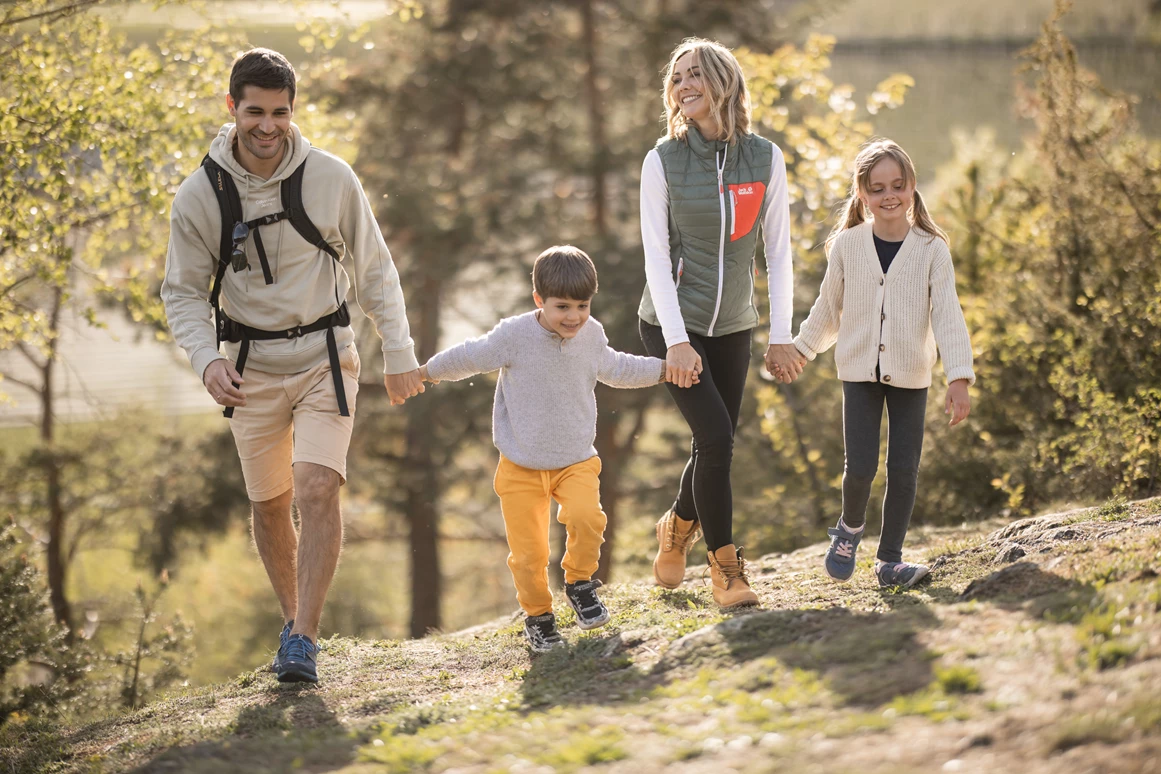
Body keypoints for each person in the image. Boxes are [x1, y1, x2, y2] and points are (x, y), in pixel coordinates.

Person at [161, 48, 423, 683]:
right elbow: (184, 292)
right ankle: (295, 627)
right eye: (255, 111)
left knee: (315, 486)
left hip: (326, 358)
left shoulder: (331, 177)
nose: (268, 126)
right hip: (248, 368)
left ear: (292, 110)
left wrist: (400, 351)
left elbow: (375, 268)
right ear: (232, 108)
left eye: (280, 112)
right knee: (271, 505)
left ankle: (303, 636)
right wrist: (205, 361)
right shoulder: (200, 195)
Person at [421, 246, 680, 652]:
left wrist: (666, 369)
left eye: (583, 305)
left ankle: (579, 583)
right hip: (521, 465)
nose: (574, 316)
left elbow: (618, 367)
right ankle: (539, 616)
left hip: (576, 459)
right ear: (539, 300)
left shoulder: (591, 334)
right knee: (528, 554)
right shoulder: (514, 335)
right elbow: (472, 355)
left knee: (587, 518)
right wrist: (428, 372)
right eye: (562, 306)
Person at [639, 38, 803, 609]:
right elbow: (655, 257)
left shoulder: (766, 158)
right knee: (714, 438)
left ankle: (678, 527)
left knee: (717, 442)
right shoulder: (662, 159)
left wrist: (781, 333)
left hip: (734, 324)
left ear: (723, 83)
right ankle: (727, 571)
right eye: (676, 78)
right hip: (669, 323)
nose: (683, 86)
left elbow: (779, 253)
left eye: (694, 76)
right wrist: (677, 342)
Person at [793, 138, 974, 589]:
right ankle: (850, 529)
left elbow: (948, 314)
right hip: (858, 373)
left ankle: (890, 559)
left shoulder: (932, 249)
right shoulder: (847, 246)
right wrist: (800, 349)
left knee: (903, 468)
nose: (889, 195)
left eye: (898, 184)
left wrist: (959, 378)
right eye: (877, 188)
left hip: (912, 375)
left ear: (912, 185)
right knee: (860, 467)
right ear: (862, 194)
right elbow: (828, 308)